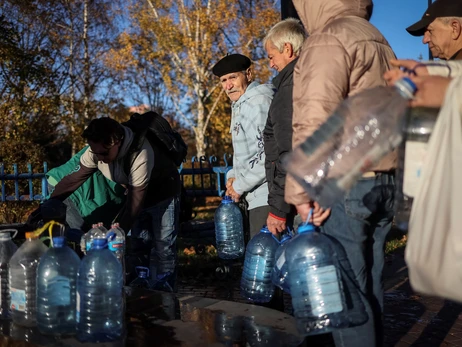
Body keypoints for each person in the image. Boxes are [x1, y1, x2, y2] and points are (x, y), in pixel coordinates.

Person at [285, 0, 396, 346]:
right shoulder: (376, 37)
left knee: (347, 300)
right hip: (384, 179)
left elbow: (315, 120)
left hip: (346, 185)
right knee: (371, 289)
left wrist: (301, 191)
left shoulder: (329, 38)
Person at [48, 117, 181, 291]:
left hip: (163, 193)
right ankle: (140, 289)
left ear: (116, 142)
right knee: (138, 244)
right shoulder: (97, 152)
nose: (99, 159)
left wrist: (117, 231)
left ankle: (166, 291)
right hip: (138, 194)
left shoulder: (141, 153)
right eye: (95, 153)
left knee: (163, 246)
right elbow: (73, 179)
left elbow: (135, 202)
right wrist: (51, 201)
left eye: (103, 154)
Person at [212, 53, 275, 239]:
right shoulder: (240, 104)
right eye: (223, 80)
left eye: (233, 77)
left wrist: (239, 186)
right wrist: (232, 176)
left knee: (264, 261)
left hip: (266, 196)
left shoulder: (258, 103)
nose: (228, 85)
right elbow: (246, 153)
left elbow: (267, 155)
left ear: (248, 74)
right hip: (252, 195)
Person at [262, 18, 306, 235]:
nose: (271, 64)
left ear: (287, 49)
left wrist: (278, 210)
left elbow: (289, 153)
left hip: (299, 201)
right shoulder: (312, 78)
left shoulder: (288, 90)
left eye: (272, 56)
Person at [46, 146, 126, 231]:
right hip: (68, 187)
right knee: (82, 235)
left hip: (85, 191)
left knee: (93, 234)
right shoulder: (100, 149)